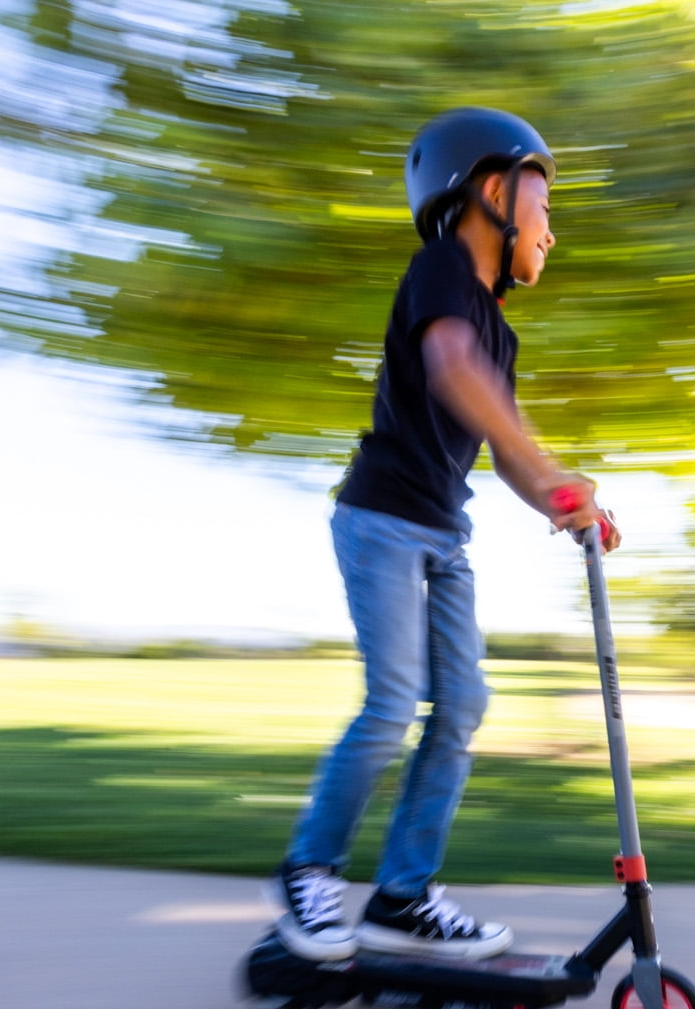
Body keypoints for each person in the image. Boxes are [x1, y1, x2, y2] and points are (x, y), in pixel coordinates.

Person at [269, 107, 619, 963]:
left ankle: (402, 893)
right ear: (492, 192)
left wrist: (564, 500)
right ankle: (311, 873)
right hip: (381, 519)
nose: (552, 231)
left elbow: (503, 447)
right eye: (544, 205)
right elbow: (450, 371)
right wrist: (553, 468)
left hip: (441, 532)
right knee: (393, 702)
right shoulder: (441, 275)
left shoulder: (498, 329)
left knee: (461, 702)